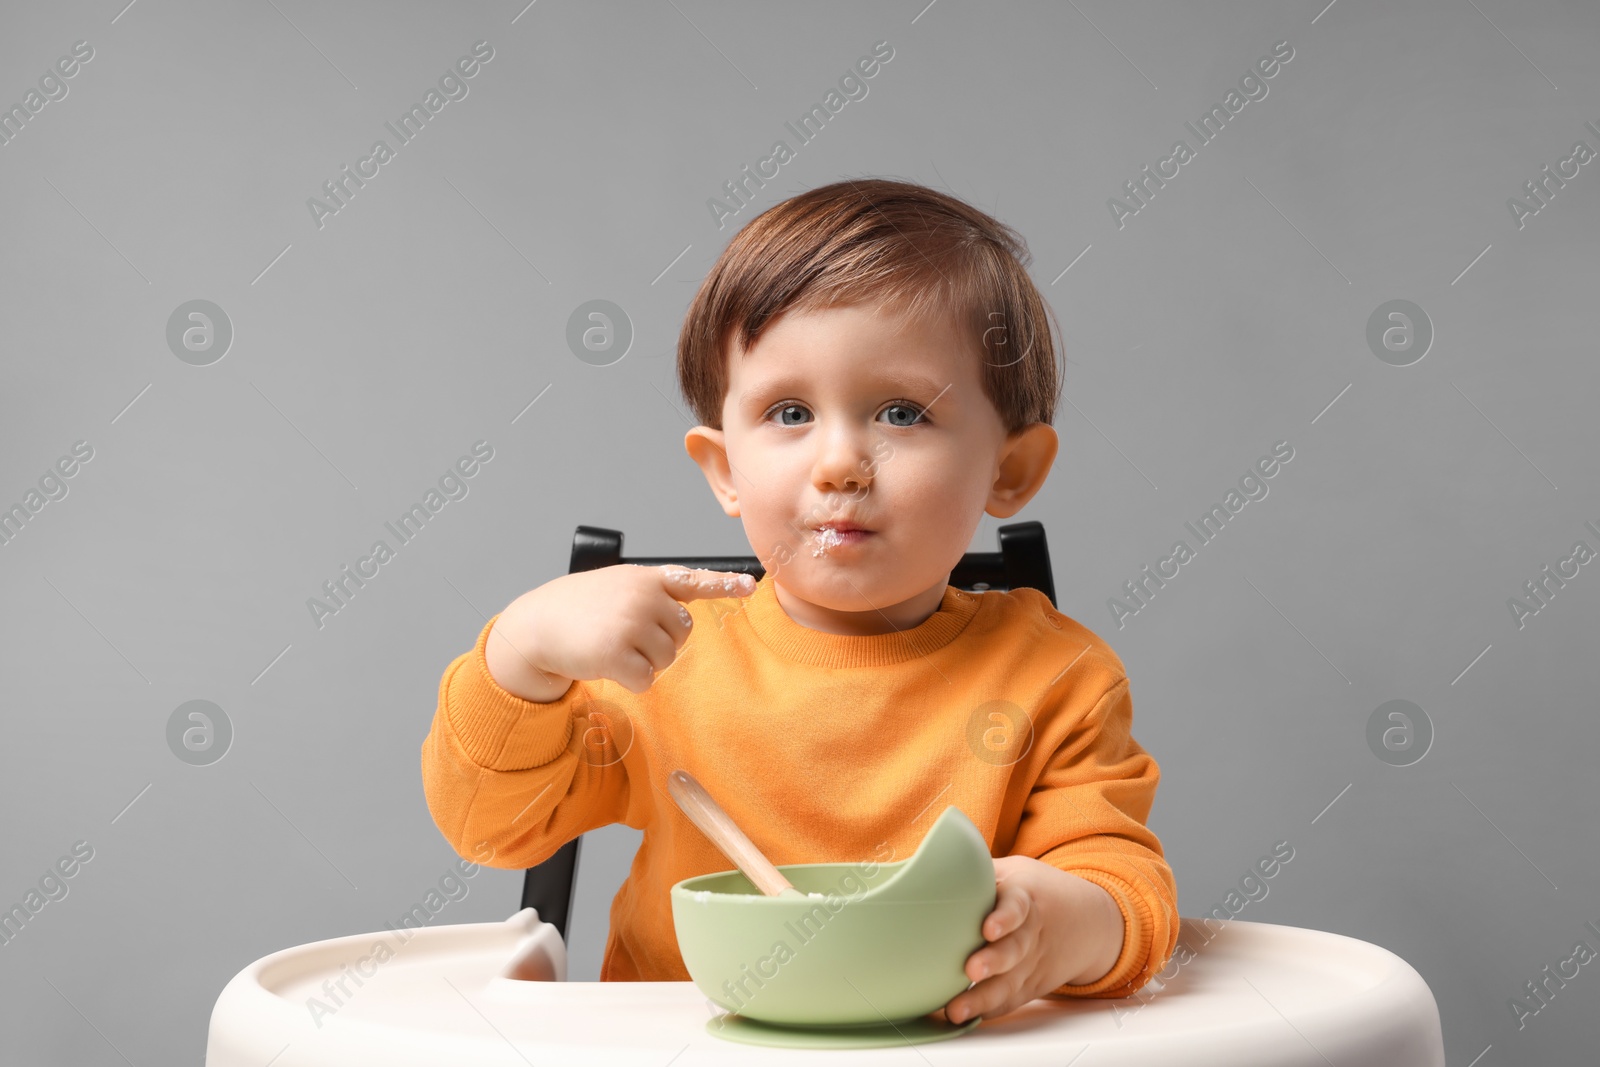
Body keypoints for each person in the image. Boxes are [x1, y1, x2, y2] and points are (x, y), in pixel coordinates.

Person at [421, 177, 1178, 1026]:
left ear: (1010, 469)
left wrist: (1064, 923)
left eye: (901, 412)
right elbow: (491, 828)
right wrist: (520, 654)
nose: (841, 463)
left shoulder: (1057, 676)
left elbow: (1126, 890)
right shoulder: (665, 658)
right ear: (724, 471)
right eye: (789, 412)